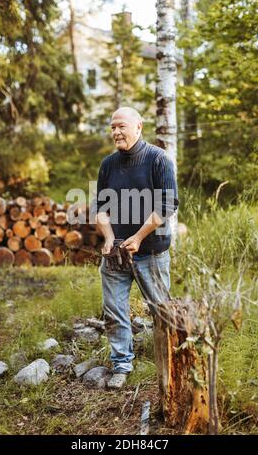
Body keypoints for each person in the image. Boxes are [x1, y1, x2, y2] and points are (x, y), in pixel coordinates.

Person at [93, 106, 179, 389]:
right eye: (112, 127)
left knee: (161, 311)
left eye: (121, 126)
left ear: (139, 126)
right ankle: (121, 364)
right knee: (114, 309)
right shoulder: (107, 164)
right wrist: (107, 238)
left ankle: (169, 362)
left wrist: (140, 236)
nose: (116, 131)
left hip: (151, 251)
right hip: (116, 253)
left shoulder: (159, 159)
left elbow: (166, 205)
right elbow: (100, 210)